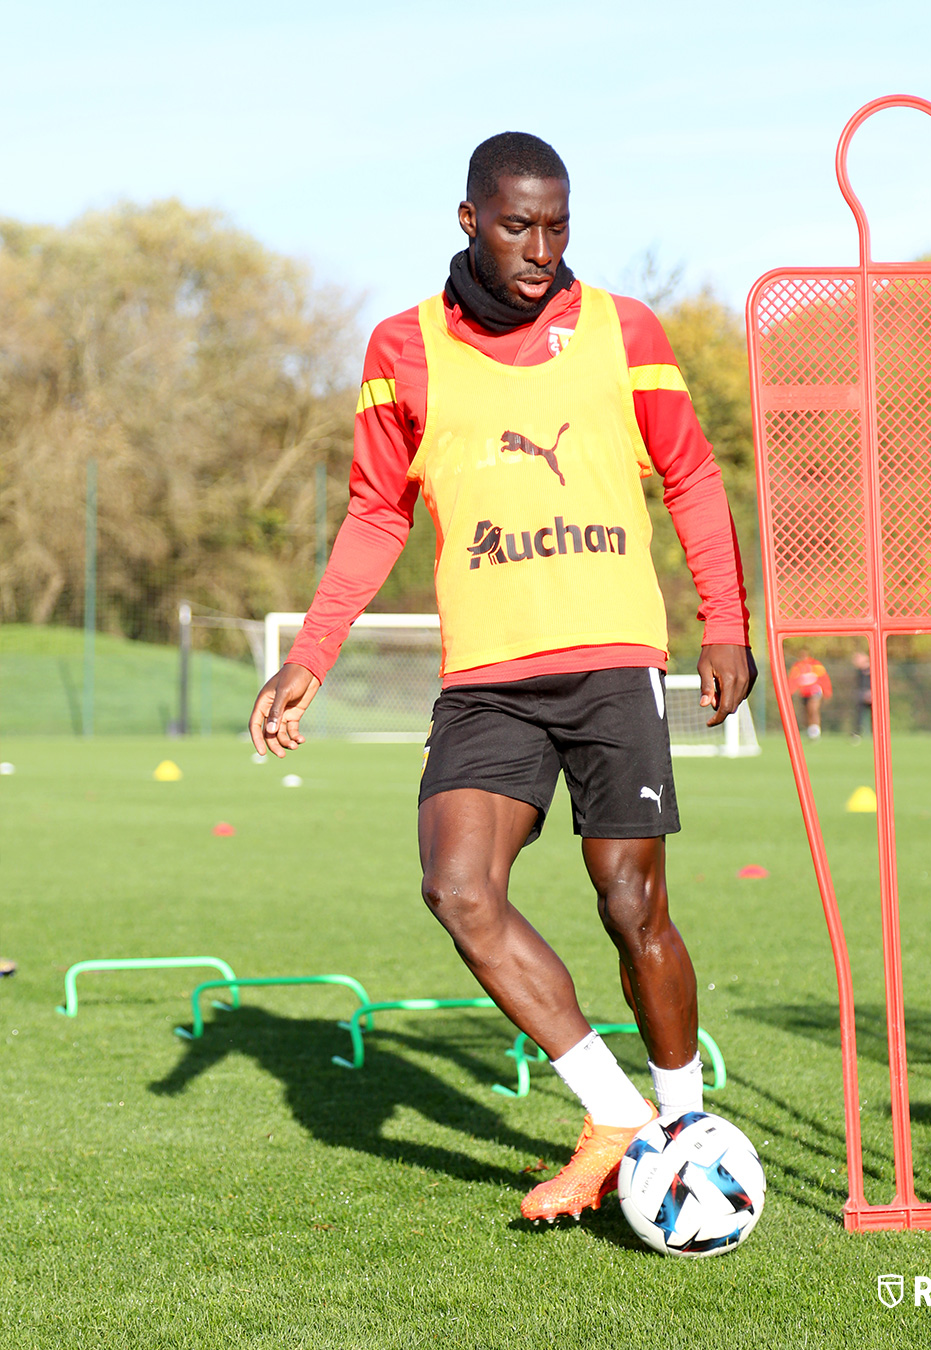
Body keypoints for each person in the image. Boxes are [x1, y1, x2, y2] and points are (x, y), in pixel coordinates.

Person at [249, 132, 755, 1224]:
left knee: (632, 905)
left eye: (558, 225)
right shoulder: (403, 347)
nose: (541, 247)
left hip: (613, 661)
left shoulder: (627, 330)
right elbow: (378, 510)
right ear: (469, 218)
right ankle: (615, 1115)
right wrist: (312, 654)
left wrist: (727, 622)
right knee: (458, 889)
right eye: (519, 224)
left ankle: (684, 1121)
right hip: (486, 679)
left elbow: (693, 473)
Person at [787, 649, 831, 739]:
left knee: (813, 709)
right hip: (804, 693)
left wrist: (827, 691)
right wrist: (789, 692)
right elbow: (793, 680)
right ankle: (810, 730)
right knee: (806, 712)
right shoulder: (797, 666)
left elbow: (824, 678)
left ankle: (816, 730)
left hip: (815, 691)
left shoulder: (816, 665)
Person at [851, 650, 872, 740]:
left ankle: (876, 733)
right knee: (859, 715)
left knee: (875, 715)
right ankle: (857, 732)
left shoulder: (873, 668)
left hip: (872, 695)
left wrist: (871, 692)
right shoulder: (860, 671)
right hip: (862, 695)